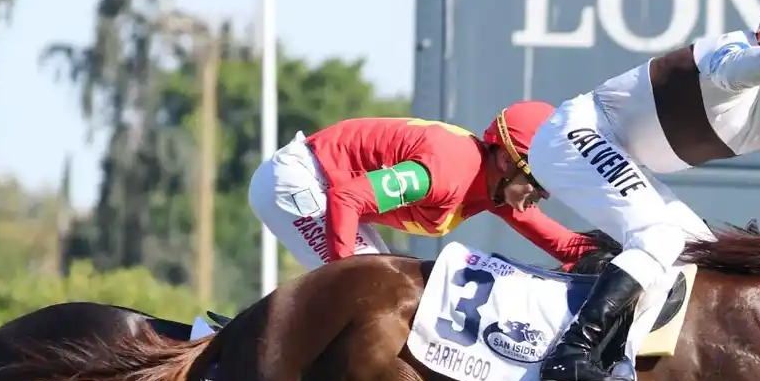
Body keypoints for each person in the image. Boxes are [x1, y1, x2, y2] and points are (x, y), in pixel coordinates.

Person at [526, 0, 760, 381]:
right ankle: (571, 353)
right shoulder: (728, 51)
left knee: (703, 255)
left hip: (622, 157)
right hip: (577, 133)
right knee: (659, 237)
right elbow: (733, 71)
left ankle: (620, 358)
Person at [246, 102, 597, 273]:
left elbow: (564, 245)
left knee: (379, 289)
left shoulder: (496, 187)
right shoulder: (446, 174)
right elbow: (347, 197)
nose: (543, 194)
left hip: (323, 186)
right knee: (366, 289)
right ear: (506, 161)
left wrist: (620, 260)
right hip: (300, 181)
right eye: (538, 181)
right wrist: (344, 283)